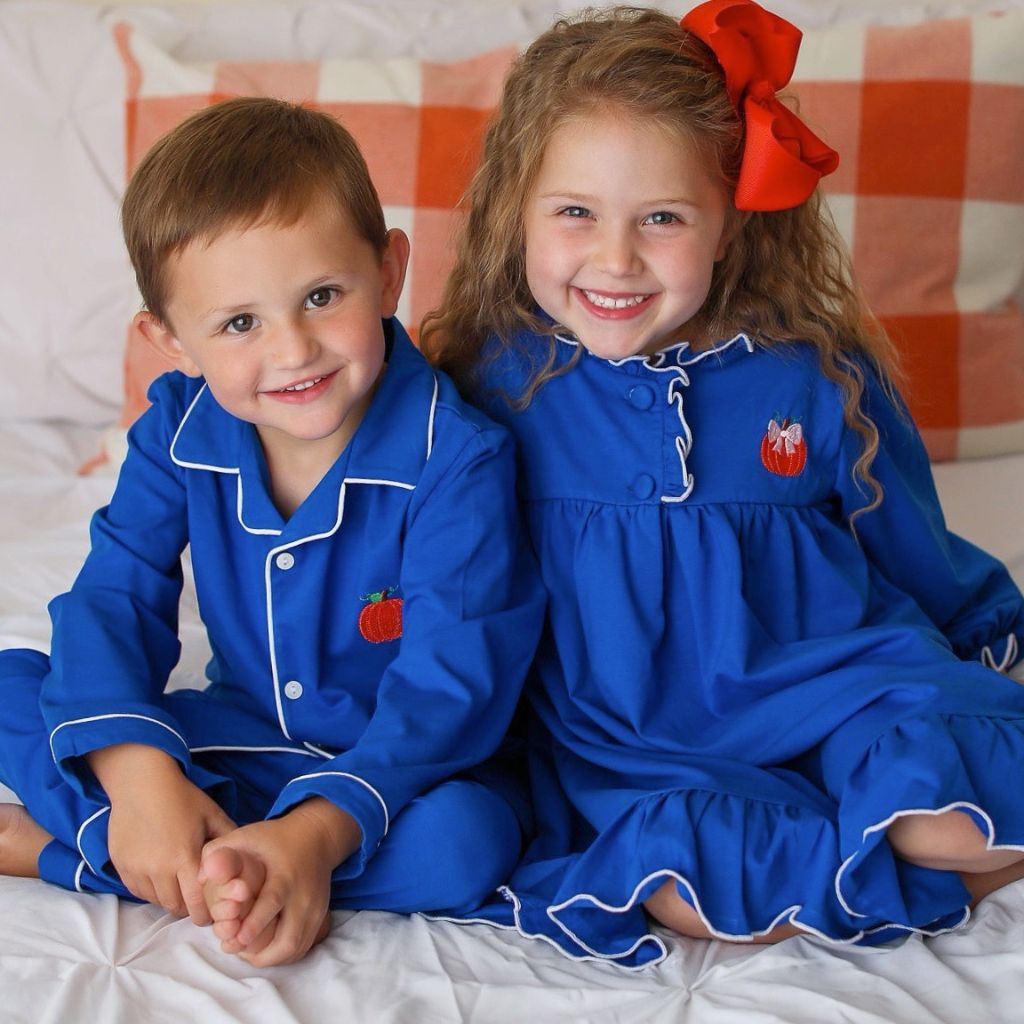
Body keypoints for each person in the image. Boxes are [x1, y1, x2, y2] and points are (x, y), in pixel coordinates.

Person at [421, 0, 1024, 968]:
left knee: (943, 812)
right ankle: (861, 868)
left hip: (835, 678)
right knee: (697, 892)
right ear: (514, 211)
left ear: (730, 225)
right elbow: (430, 564)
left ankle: (897, 844)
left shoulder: (810, 373)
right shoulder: (484, 383)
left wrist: (984, 632)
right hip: (634, 734)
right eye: (575, 212)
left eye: (661, 218)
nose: (614, 258)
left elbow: (904, 534)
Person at [0, 97, 544, 968]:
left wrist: (318, 836)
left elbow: (453, 685)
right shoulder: (178, 427)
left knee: (469, 845)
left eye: (323, 296)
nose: (294, 350)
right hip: (242, 736)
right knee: (15, 682)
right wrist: (140, 778)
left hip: (402, 773)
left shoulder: (458, 455)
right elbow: (116, 596)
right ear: (171, 340)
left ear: (390, 271)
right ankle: (167, 837)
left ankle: (70, 851)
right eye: (240, 323)